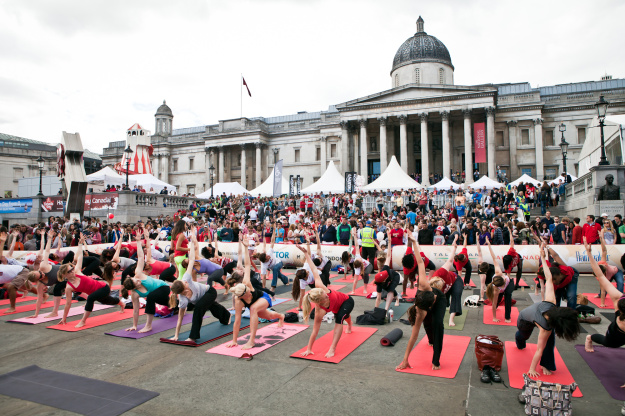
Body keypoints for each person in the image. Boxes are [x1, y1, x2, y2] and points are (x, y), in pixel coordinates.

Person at [515, 242, 580, 377]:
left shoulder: (551, 303)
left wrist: (543, 257)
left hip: (540, 318)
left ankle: (547, 364)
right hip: (524, 319)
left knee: (549, 342)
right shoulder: (547, 321)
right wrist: (531, 369)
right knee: (523, 336)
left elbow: (549, 277)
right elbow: (538, 350)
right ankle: (519, 341)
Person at [227, 236, 285, 350]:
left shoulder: (246, 282)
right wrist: (234, 340)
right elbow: (237, 321)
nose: (249, 293)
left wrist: (246, 247)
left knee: (253, 309)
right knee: (268, 316)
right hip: (257, 303)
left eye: (248, 291)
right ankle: (281, 316)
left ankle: (251, 341)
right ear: (241, 296)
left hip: (264, 297)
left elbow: (247, 265)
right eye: (247, 294)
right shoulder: (239, 301)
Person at [170, 238, 232, 343]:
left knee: (198, 308)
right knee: (212, 307)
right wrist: (176, 335)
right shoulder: (183, 299)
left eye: (184, 282)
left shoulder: (186, 278)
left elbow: (191, 260)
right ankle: (226, 315)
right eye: (185, 284)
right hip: (202, 297)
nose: (185, 282)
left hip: (209, 291)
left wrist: (193, 244)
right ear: (183, 291)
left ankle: (193, 337)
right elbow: (180, 318)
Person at [297, 244, 354, 359]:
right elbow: (314, 331)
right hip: (337, 307)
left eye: (326, 293)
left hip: (347, 301)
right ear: (319, 301)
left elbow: (313, 268)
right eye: (325, 297)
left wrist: (306, 254)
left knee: (339, 319)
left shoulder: (319, 285)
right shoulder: (319, 311)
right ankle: (350, 324)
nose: (328, 295)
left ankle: (332, 348)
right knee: (342, 314)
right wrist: (309, 349)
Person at [396, 241, 445, 371]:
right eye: (432, 299)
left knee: (438, 324)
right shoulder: (420, 312)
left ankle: (436, 359)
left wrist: (414, 242)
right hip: (424, 305)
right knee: (427, 324)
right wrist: (405, 360)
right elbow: (413, 337)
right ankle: (430, 340)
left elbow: (421, 262)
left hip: (441, 299)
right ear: (428, 307)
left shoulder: (424, 284)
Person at [57, 235, 125, 328]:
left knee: (90, 298)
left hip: (103, 287)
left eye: (72, 269)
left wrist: (80, 244)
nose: (72, 271)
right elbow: (68, 303)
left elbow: (80, 258)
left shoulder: (77, 271)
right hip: (96, 293)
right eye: (69, 271)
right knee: (108, 301)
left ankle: (83, 321)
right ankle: (122, 303)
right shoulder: (69, 287)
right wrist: (64, 318)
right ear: (64, 275)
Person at [583, 237, 625, 352]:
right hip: (616, 334)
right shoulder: (618, 298)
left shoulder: (619, 298)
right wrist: (589, 253)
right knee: (609, 344)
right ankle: (589, 337)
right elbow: (600, 276)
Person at [122, 237, 171, 333]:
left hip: (164, 288)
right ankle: (182, 306)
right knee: (172, 304)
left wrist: (138, 242)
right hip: (157, 295)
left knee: (150, 297)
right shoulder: (134, 294)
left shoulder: (138, 274)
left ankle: (148, 326)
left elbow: (140, 258)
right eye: (136, 282)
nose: (137, 280)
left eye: (134, 279)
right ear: (134, 288)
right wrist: (134, 326)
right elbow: (135, 310)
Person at [485, 239, 514, 323]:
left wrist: (489, 244)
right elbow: (493, 304)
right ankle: (498, 306)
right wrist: (494, 318)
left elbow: (493, 257)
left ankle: (507, 317)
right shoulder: (496, 290)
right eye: (502, 286)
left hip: (510, 283)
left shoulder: (498, 272)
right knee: (496, 301)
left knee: (508, 295)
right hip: (498, 291)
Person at [253, 226, 290, 291]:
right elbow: (264, 277)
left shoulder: (269, 252)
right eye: (267, 258)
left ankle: (273, 286)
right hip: (274, 268)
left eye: (268, 256)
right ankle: (286, 280)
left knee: (275, 269)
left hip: (279, 262)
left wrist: (274, 232)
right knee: (279, 274)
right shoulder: (263, 265)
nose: (269, 256)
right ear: (265, 260)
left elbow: (272, 241)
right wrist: (263, 288)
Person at [349, 228, 373, 295]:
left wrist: (355, 236)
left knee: (365, 274)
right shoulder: (357, 268)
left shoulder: (357, 256)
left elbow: (356, 245)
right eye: (360, 260)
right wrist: (353, 291)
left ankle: (365, 289)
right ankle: (359, 289)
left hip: (369, 265)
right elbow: (355, 280)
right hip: (362, 267)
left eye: (360, 260)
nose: (360, 259)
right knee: (362, 275)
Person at [502, 224, 524, 289]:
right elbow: (508, 275)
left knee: (520, 269)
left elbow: (512, 242)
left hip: (518, 257)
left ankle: (517, 283)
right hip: (511, 264)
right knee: (507, 274)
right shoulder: (508, 266)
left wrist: (510, 232)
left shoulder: (511, 252)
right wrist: (507, 285)